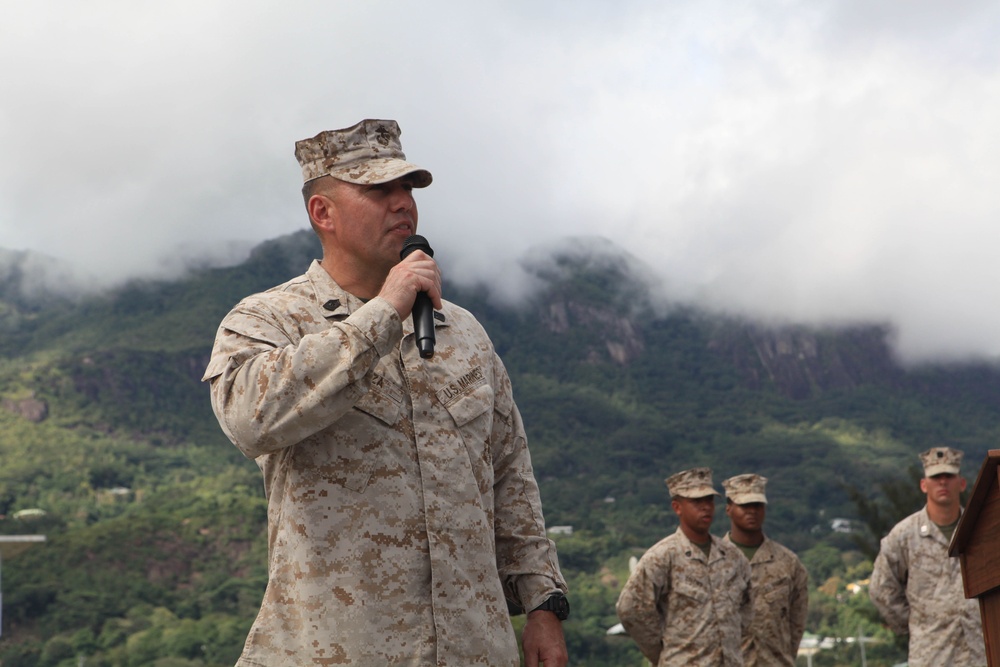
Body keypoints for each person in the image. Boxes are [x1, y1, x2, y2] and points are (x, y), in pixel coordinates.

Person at [202, 119, 569, 666]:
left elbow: (511, 473)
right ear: (322, 213)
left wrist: (542, 605)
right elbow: (248, 419)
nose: (403, 204)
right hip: (342, 648)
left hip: (474, 648)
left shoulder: (462, 330)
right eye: (379, 190)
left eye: (408, 189)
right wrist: (382, 316)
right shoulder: (266, 319)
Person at [616, 467, 753, 666]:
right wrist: (663, 652)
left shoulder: (733, 556)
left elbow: (748, 606)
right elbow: (630, 608)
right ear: (677, 507)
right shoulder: (662, 556)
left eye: (709, 500)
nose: (706, 507)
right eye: (697, 502)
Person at [869, 446, 986, 667]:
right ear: (924, 485)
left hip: (979, 653)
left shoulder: (980, 529)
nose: (943, 482)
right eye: (936, 477)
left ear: (961, 483)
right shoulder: (904, 535)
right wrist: (914, 622)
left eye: (949, 476)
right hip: (931, 655)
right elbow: (881, 589)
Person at [721, 473, 808, 667]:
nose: (752, 511)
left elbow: (797, 623)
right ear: (729, 509)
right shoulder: (713, 561)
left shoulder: (788, 563)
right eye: (744, 505)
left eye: (758, 505)